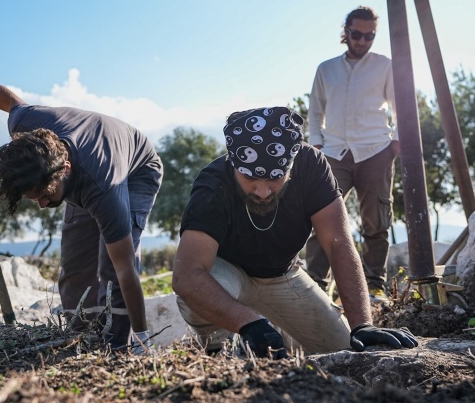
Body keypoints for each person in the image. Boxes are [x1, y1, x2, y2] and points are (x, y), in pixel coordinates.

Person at [0, 46, 163, 353]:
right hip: (84, 167)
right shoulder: (27, 127)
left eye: (46, 196)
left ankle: (121, 342)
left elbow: (126, 269)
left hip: (136, 170)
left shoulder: (103, 190)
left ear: (63, 170)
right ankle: (84, 335)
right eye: (33, 198)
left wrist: (141, 340)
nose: (42, 205)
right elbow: (9, 100)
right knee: (76, 263)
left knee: (111, 266)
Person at [171, 106, 417, 358]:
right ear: (234, 164)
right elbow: (187, 276)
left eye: (274, 180)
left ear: (291, 165)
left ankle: (282, 337)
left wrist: (362, 324)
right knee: (205, 290)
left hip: (282, 274)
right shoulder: (212, 186)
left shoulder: (311, 166)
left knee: (346, 349)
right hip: (228, 274)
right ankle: (220, 352)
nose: (263, 192)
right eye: (251, 180)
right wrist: (248, 323)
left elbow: (338, 243)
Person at [305, 6, 398, 304]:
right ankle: (317, 287)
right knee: (321, 219)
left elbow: (402, 107)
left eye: (369, 36)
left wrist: (395, 144)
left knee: (376, 221)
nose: (362, 41)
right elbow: (315, 111)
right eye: (357, 34)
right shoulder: (326, 69)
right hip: (333, 154)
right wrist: (317, 145)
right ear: (345, 31)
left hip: (376, 151)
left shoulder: (385, 66)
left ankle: (374, 286)